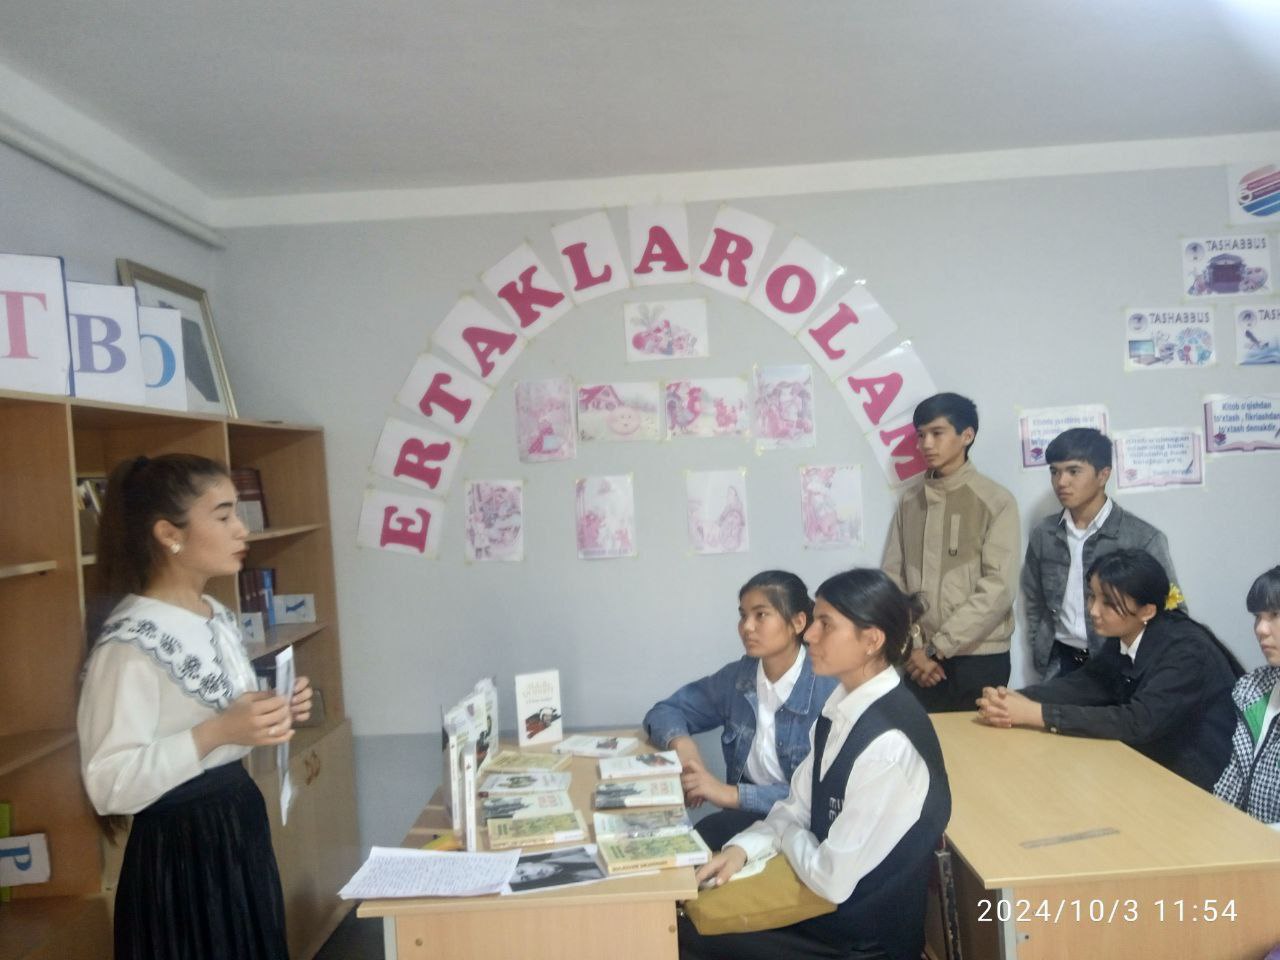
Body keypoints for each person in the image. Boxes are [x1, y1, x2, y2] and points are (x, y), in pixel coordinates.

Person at [77, 454, 312, 960]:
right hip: (180, 854)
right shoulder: (130, 642)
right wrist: (218, 732)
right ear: (169, 534)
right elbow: (108, 782)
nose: (241, 529)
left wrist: (274, 708)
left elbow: (219, 712)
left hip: (235, 825)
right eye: (223, 515)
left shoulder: (216, 614)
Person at [679, 569, 951, 960]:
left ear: (871, 640)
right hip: (826, 907)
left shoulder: (889, 746)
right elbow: (794, 807)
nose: (809, 635)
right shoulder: (838, 708)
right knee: (692, 899)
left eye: (826, 624)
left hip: (862, 940)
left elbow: (830, 878)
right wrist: (741, 850)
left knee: (688, 936)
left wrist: (788, 837)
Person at [977, 549, 1243, 791]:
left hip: (1198, 781)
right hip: (1149, 766)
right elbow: (1088, 683)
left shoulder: (1186, 650)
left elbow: (1137, 721)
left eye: (1109, 603)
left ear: (1147, 611)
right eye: (1092, 596)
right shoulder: (1127, 632)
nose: (1093, 610)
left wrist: (1036, 714)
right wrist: (1014, 699)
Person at [644, 571, 837, 850]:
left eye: (761, 615)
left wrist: (729, 794)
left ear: (797, 622)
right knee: (687, 847)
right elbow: (664, 712)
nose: (747, 627)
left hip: (807, 829)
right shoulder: (738, 678)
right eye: (743, 615)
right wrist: (685, 749)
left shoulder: (829, 690)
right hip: (749, 818)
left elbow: (821, 794)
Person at [881, 392, 1020, 712]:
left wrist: (936, 648)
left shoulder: (996, 500)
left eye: (937, 433)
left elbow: (998, 588)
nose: (926, 444)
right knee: (922, 741)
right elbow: (893, 578)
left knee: (976, 743)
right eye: (921, 435)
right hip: (918, 659)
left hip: (978, 656)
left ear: (966, 435)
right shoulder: (910, 501)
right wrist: (913, 647)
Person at [1023, 427, 1180, 679]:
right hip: (1060, 662)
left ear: (1103, 475)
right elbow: (1034, 598)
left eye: (1074, 471)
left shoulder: (1141, 537)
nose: (1061, 482)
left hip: (1119, 663)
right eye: (1055, 472)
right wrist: (1039, 643)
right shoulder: (1045, 534)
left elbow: (1171, 611)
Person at [1214, 565, 1280, 829]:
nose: (1261, 629)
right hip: (1245, 842)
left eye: (1275, 615)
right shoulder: (1253, 689)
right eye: (1257, 617)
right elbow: (1231, 784)